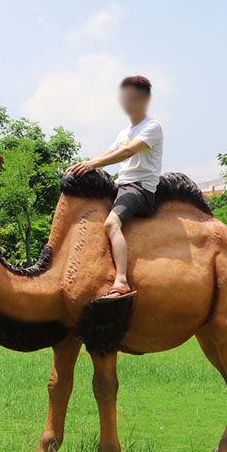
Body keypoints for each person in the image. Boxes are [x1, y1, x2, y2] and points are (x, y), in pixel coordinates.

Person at [66, 75, 163, 299]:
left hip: (140, 189)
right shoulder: (124, 132)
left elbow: (128, 152)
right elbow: (109, 153)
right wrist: (84, 166)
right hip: (121, 184)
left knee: (111, 223)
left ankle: (121, 282)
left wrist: (93, 164)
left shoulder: (152, 127)